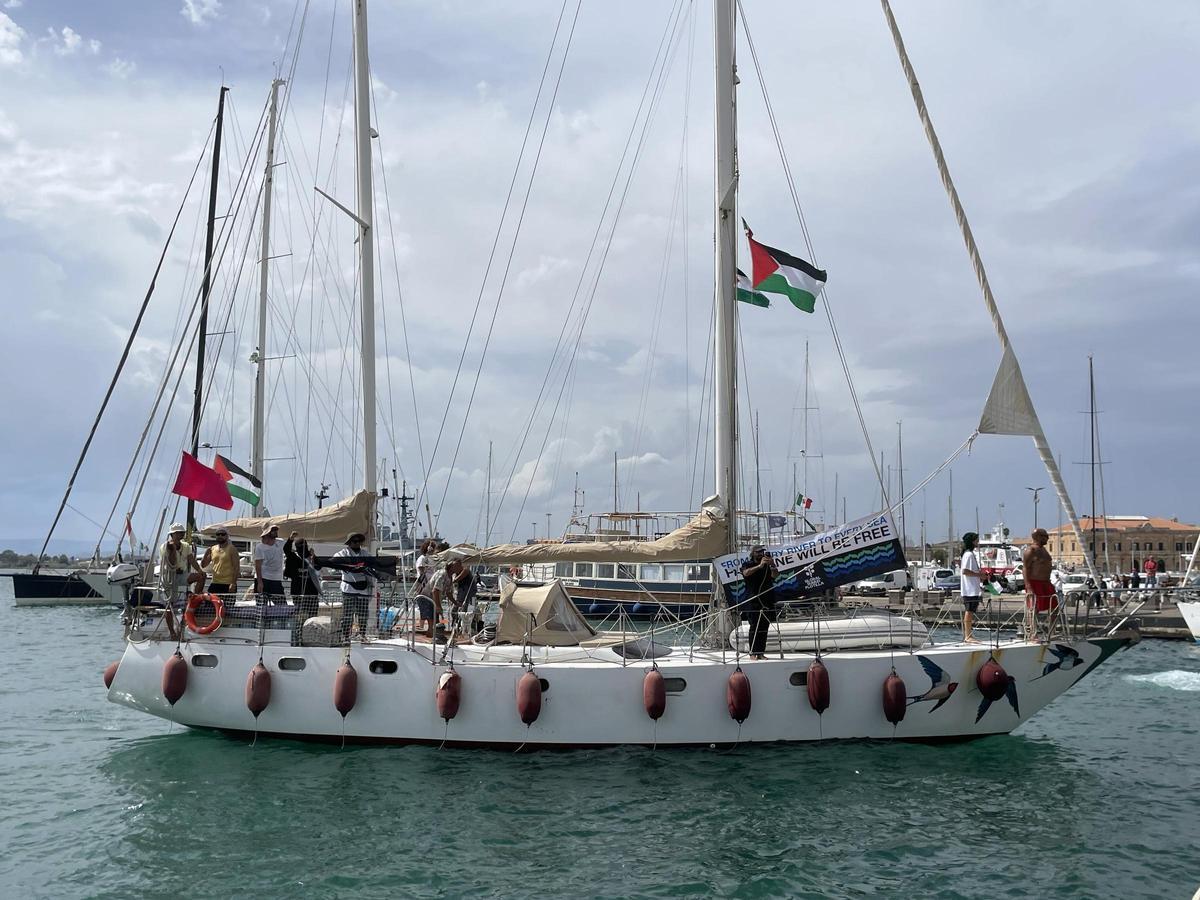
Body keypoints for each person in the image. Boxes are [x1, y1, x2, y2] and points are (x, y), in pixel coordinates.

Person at [333, 532, 373, 644]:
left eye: (359, 541)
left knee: (363, 614)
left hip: (363, 588)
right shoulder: (343, 553)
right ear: (349, 543)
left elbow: (374, 563)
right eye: (355, 541)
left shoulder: (365, 554)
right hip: (349, 588)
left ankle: (362, 634)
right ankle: (346, 636)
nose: (357, 544)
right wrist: (348, 564)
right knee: (347, 614)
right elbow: (334, 560)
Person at [284, 532, 322, 646]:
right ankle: (298, 637)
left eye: (304, 547)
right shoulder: (293, 557)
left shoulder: (311, 558)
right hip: (298, 593)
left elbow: (318, 567)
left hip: (311, 593)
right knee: (300, 617)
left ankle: (311, 637)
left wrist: (313, 557)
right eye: (300, 547)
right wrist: (290, 539)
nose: (302, 549)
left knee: (312, 617)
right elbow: (286, 549)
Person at [740, 546, 778, 660]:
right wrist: (759, 566)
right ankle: (752, 652)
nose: (761, 554)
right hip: (753, 599)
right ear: (753, 553)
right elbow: (746, 573)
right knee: (754, 626)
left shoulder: (767, 566)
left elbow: (775, 576)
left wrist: (772, 565)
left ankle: (760, 652)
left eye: (762, 551)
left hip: (766, 599)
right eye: (758, 552)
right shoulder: (748, 564)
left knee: (764, 627)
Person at [1022, 528, 1056, 641]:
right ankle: (1033, 634)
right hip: (1035, 583)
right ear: (1038, 537)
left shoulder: (1044, 550)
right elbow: (1025, 568)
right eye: (1045, 536)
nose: (1047, 538)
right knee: (1034, 609)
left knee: (1054, 607)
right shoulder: (1030, 551)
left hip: (1046, 583)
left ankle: (1051, 632)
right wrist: (1028, 586)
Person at [159, 522, 205, 605]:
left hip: (182, 575)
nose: (180, 535)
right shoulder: (165, 547)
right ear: (172, 534)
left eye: (182, 533)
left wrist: (200, 570)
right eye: (178, 533)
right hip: (169, 576)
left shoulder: (186, 546)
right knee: (170, 602)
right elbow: (171, 563)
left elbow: (191, 560)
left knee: (201, 577)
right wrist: (172, 550)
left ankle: (195, 600)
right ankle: (170, 608)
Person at [201, 528, 239, 600]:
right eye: (218, 534)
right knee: (209, 605)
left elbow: (236, 567)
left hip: (228, 583)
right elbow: (203, 565)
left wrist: (233, 583)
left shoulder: (232, 549)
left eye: (223, 534)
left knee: (227, 606)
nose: (220, 536)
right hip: (215, 582)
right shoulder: (212, 549)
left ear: (227, 536)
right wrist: (206, 553)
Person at [959, 532, 983, 643]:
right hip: (970, 590)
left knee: (971, 611)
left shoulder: (969, 554)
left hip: (972, 589)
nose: (978, 542)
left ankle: (969, 635)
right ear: (972, 541)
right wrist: (979, 575)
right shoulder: (968, 555)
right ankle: (968, 636)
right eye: (976, 540)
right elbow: (965, 571)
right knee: (969, 611)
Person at [254, 524, 286, 604]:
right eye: (273, 530)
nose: (275, 531)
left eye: (276, 530)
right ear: (267, 533)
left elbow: (289, 548)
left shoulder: (281, 542)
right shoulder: (259, 547)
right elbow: (258, 565)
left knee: (282, 606)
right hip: (263, 578)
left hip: (276, 579)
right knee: (261, 606)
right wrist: (260, 583)